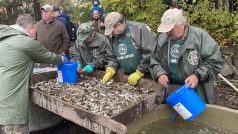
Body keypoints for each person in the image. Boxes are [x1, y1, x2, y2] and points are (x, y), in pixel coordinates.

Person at [0, 14, 69, 134]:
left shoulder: (5, 39)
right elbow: (47, 56)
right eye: (35, 31)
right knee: (16, 129)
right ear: (30, 28)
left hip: (3, 95)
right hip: (13, 102)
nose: (36, 34)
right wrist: (62, 60)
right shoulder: (25, 42)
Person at [150, 8, 223, 103]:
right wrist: (159, 73)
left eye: (171, 29)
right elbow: (154, 60)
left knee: (197, 115)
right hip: (171, 89)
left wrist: (197, 75)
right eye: (166, 29)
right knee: (172, 115)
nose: (168, 33)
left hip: (197, 90)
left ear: (182, 24)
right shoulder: (162, 39)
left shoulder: (200, 37)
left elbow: (214, 61)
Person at [102, 12, 156, 86]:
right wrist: (111, 68)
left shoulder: (138, 28)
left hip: (146, 75)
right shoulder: (112, 37)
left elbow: (151, 52)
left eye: (112, 31)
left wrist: (140, 71)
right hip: (128, 76)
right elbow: (112, 57)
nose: (111, 33)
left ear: (119, 25)